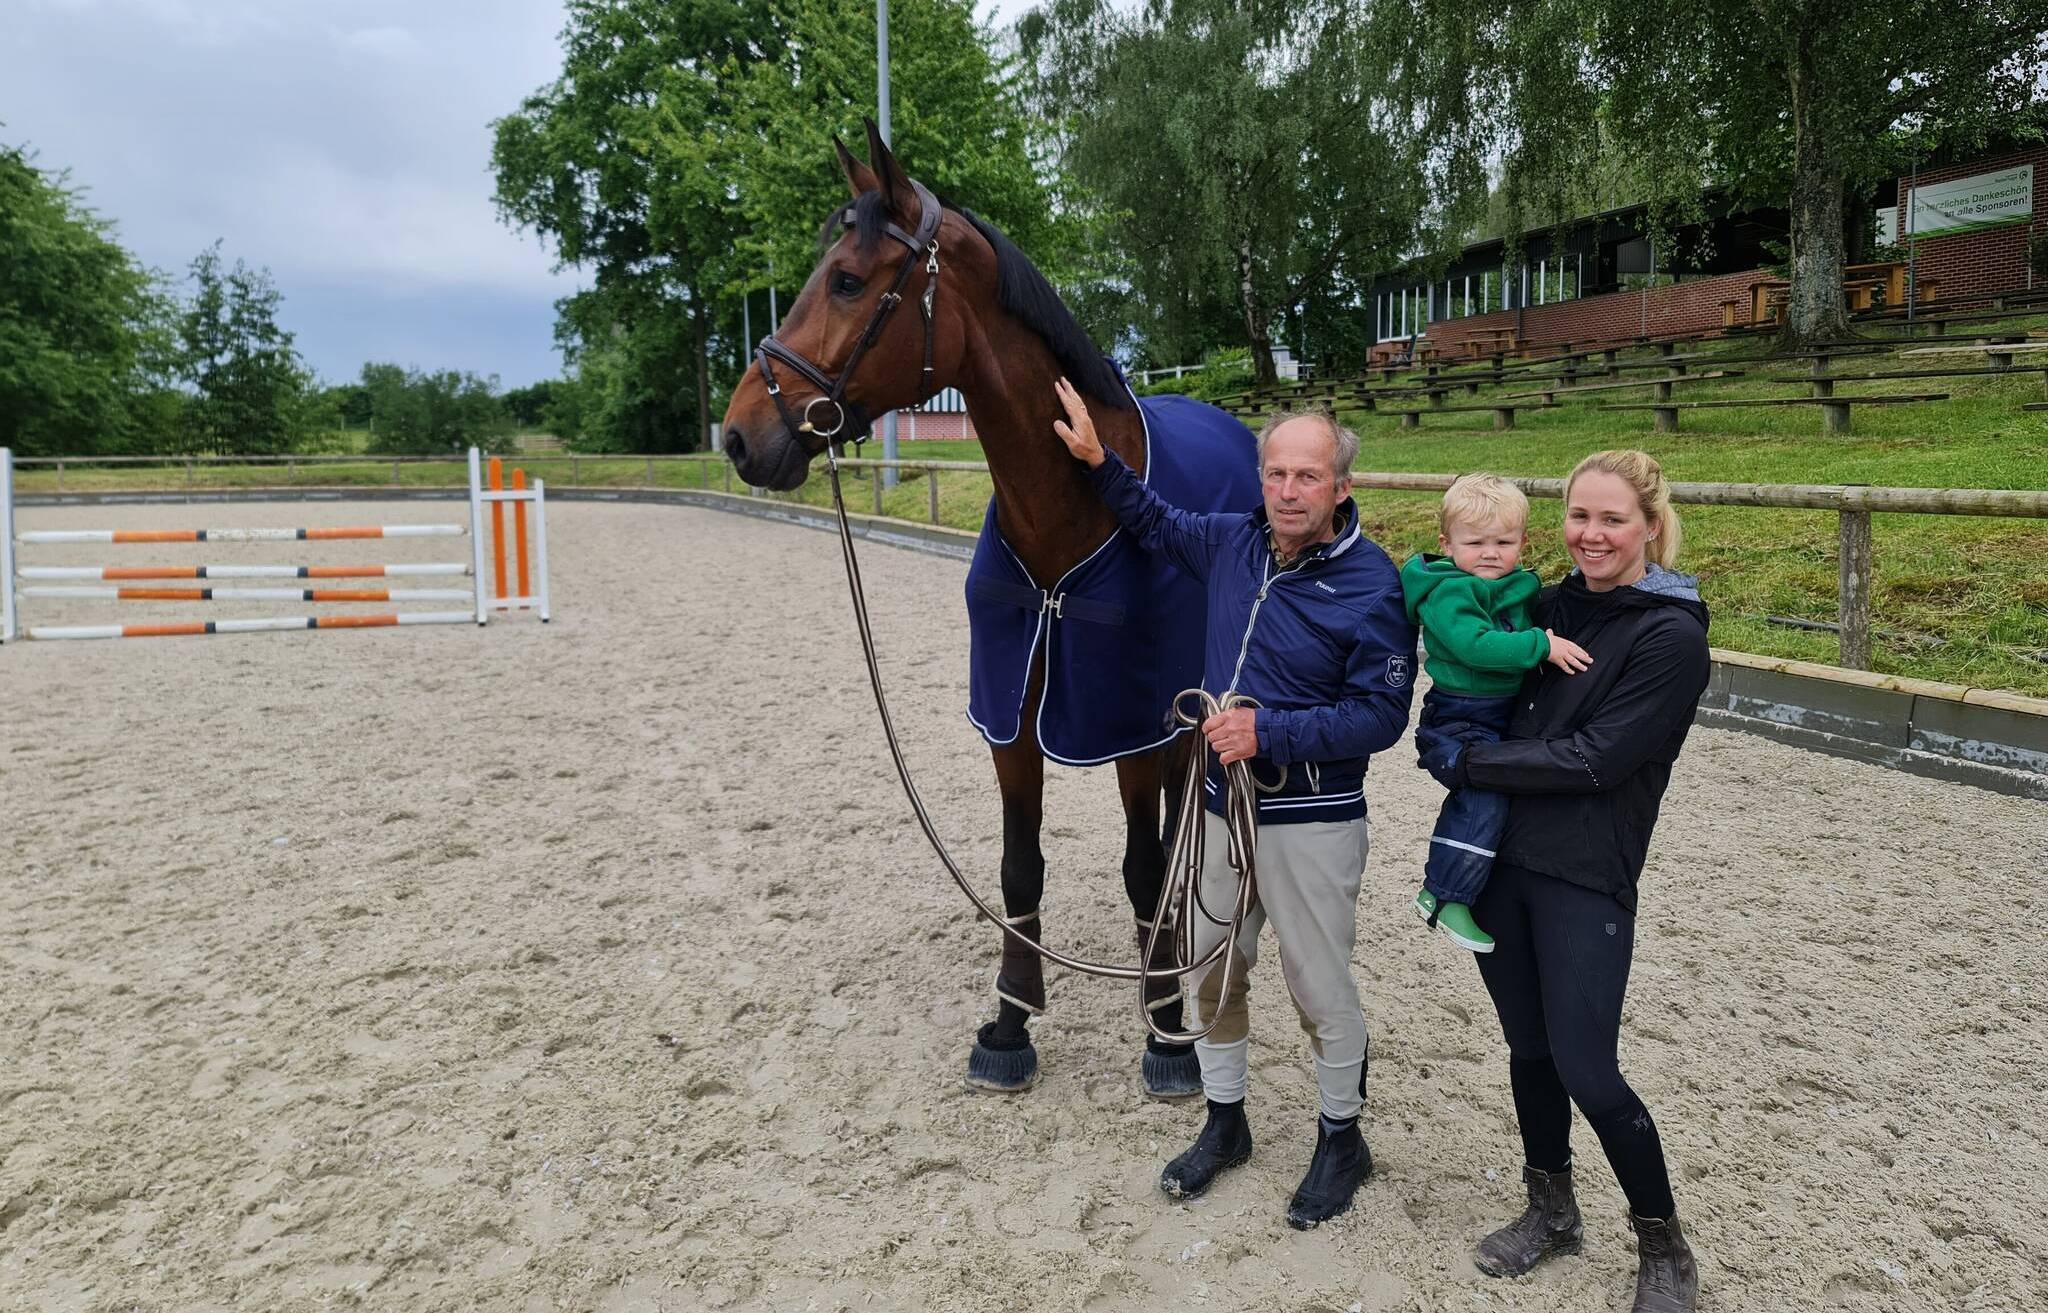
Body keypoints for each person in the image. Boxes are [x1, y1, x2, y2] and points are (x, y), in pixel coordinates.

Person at [1050, 379, 1416, 1229]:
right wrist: (1098, 460)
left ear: (1341, 487)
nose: (1289, 492)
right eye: (1277, 474)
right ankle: (1225, 1122)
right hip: (1218, 809)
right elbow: (1151, 520)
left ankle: (1341, 1138)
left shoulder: (1372, 585)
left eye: (1307, 477)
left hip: (1311, 816)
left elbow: (1382, 714)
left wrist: (1270, 731)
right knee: (1211, 966)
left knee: (1319, 984)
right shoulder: (1229, 543)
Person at [1421, 450, 1708, 1312]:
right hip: (1502, 857)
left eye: (1612, 519)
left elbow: (1597, 759)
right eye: (1579, 516)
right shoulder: (1545, 602)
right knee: (1530, 1049)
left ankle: (1663, 1239)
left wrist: (1469, 760)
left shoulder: (1670, 635)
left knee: (1588, 1065)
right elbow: (1472, 669)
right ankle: (1551, 1206)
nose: (1590, 534)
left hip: (1585, 868)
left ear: (1650, 526)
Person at [1400, 475, 1592, 953]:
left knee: (1510, 791)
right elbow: (1475, 646)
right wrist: (1539, 645)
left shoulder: (1518, 585)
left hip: (1502, 709)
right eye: (1475, 542)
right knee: (1484, 795)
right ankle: (1443, 895)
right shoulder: (1450, 592)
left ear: (1523, 543)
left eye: (1503, 542)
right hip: (1461, 713)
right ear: (1447, 544)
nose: (1490, 553)